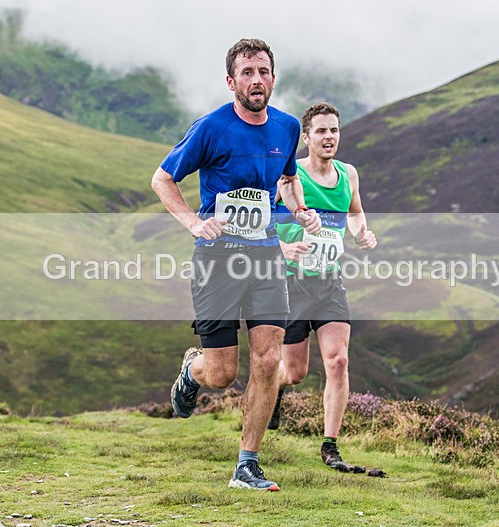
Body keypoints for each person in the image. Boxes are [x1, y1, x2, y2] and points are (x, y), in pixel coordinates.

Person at [151, 38, 321, 492]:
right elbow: (162, 178)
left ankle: (247, 464)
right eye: (246, 72)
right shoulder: (210, 128)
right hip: (217, 261)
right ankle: (193, 370)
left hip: (265, 256)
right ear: (231, 81)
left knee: (268, 360)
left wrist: (299, 209)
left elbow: (286, 179)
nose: (256, 79)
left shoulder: (286, 128)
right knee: (222, 372)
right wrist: (192, 222)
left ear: (272, 76)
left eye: (263, 71)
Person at [269, 102, 376, 472]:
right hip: (291, 285)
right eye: (321, 131)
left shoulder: (349, 174)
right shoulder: (290, 173)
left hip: (330, 284)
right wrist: (285, 246)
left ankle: (330, 446)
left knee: (339, 360)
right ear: (306, 137)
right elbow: (263, 219)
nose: (329, 137)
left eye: (334, 130)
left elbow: (354, 212)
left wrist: (362, 233)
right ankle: (278, 385)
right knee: (295, 372)